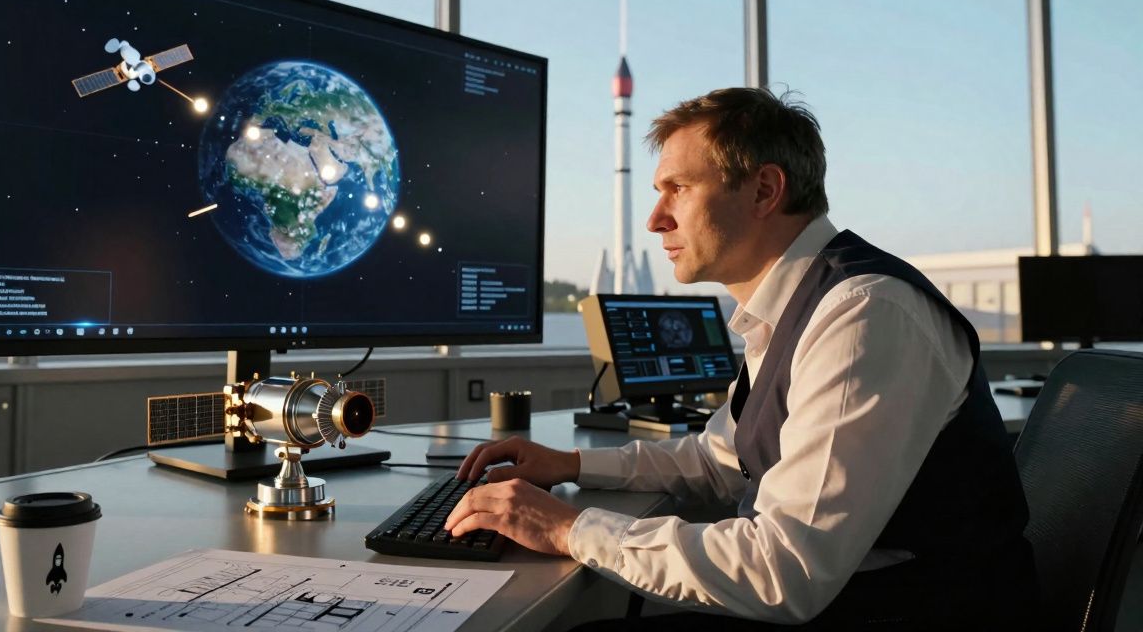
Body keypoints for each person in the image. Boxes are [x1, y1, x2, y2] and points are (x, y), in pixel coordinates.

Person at [443, 87, 1036, 630]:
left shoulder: (862, 315)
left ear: (764, 191)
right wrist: (571, 464)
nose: (656, 219)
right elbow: (719, 460)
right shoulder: (793, 309)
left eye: (679, 188)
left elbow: (785, 572)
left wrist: (567, 527)